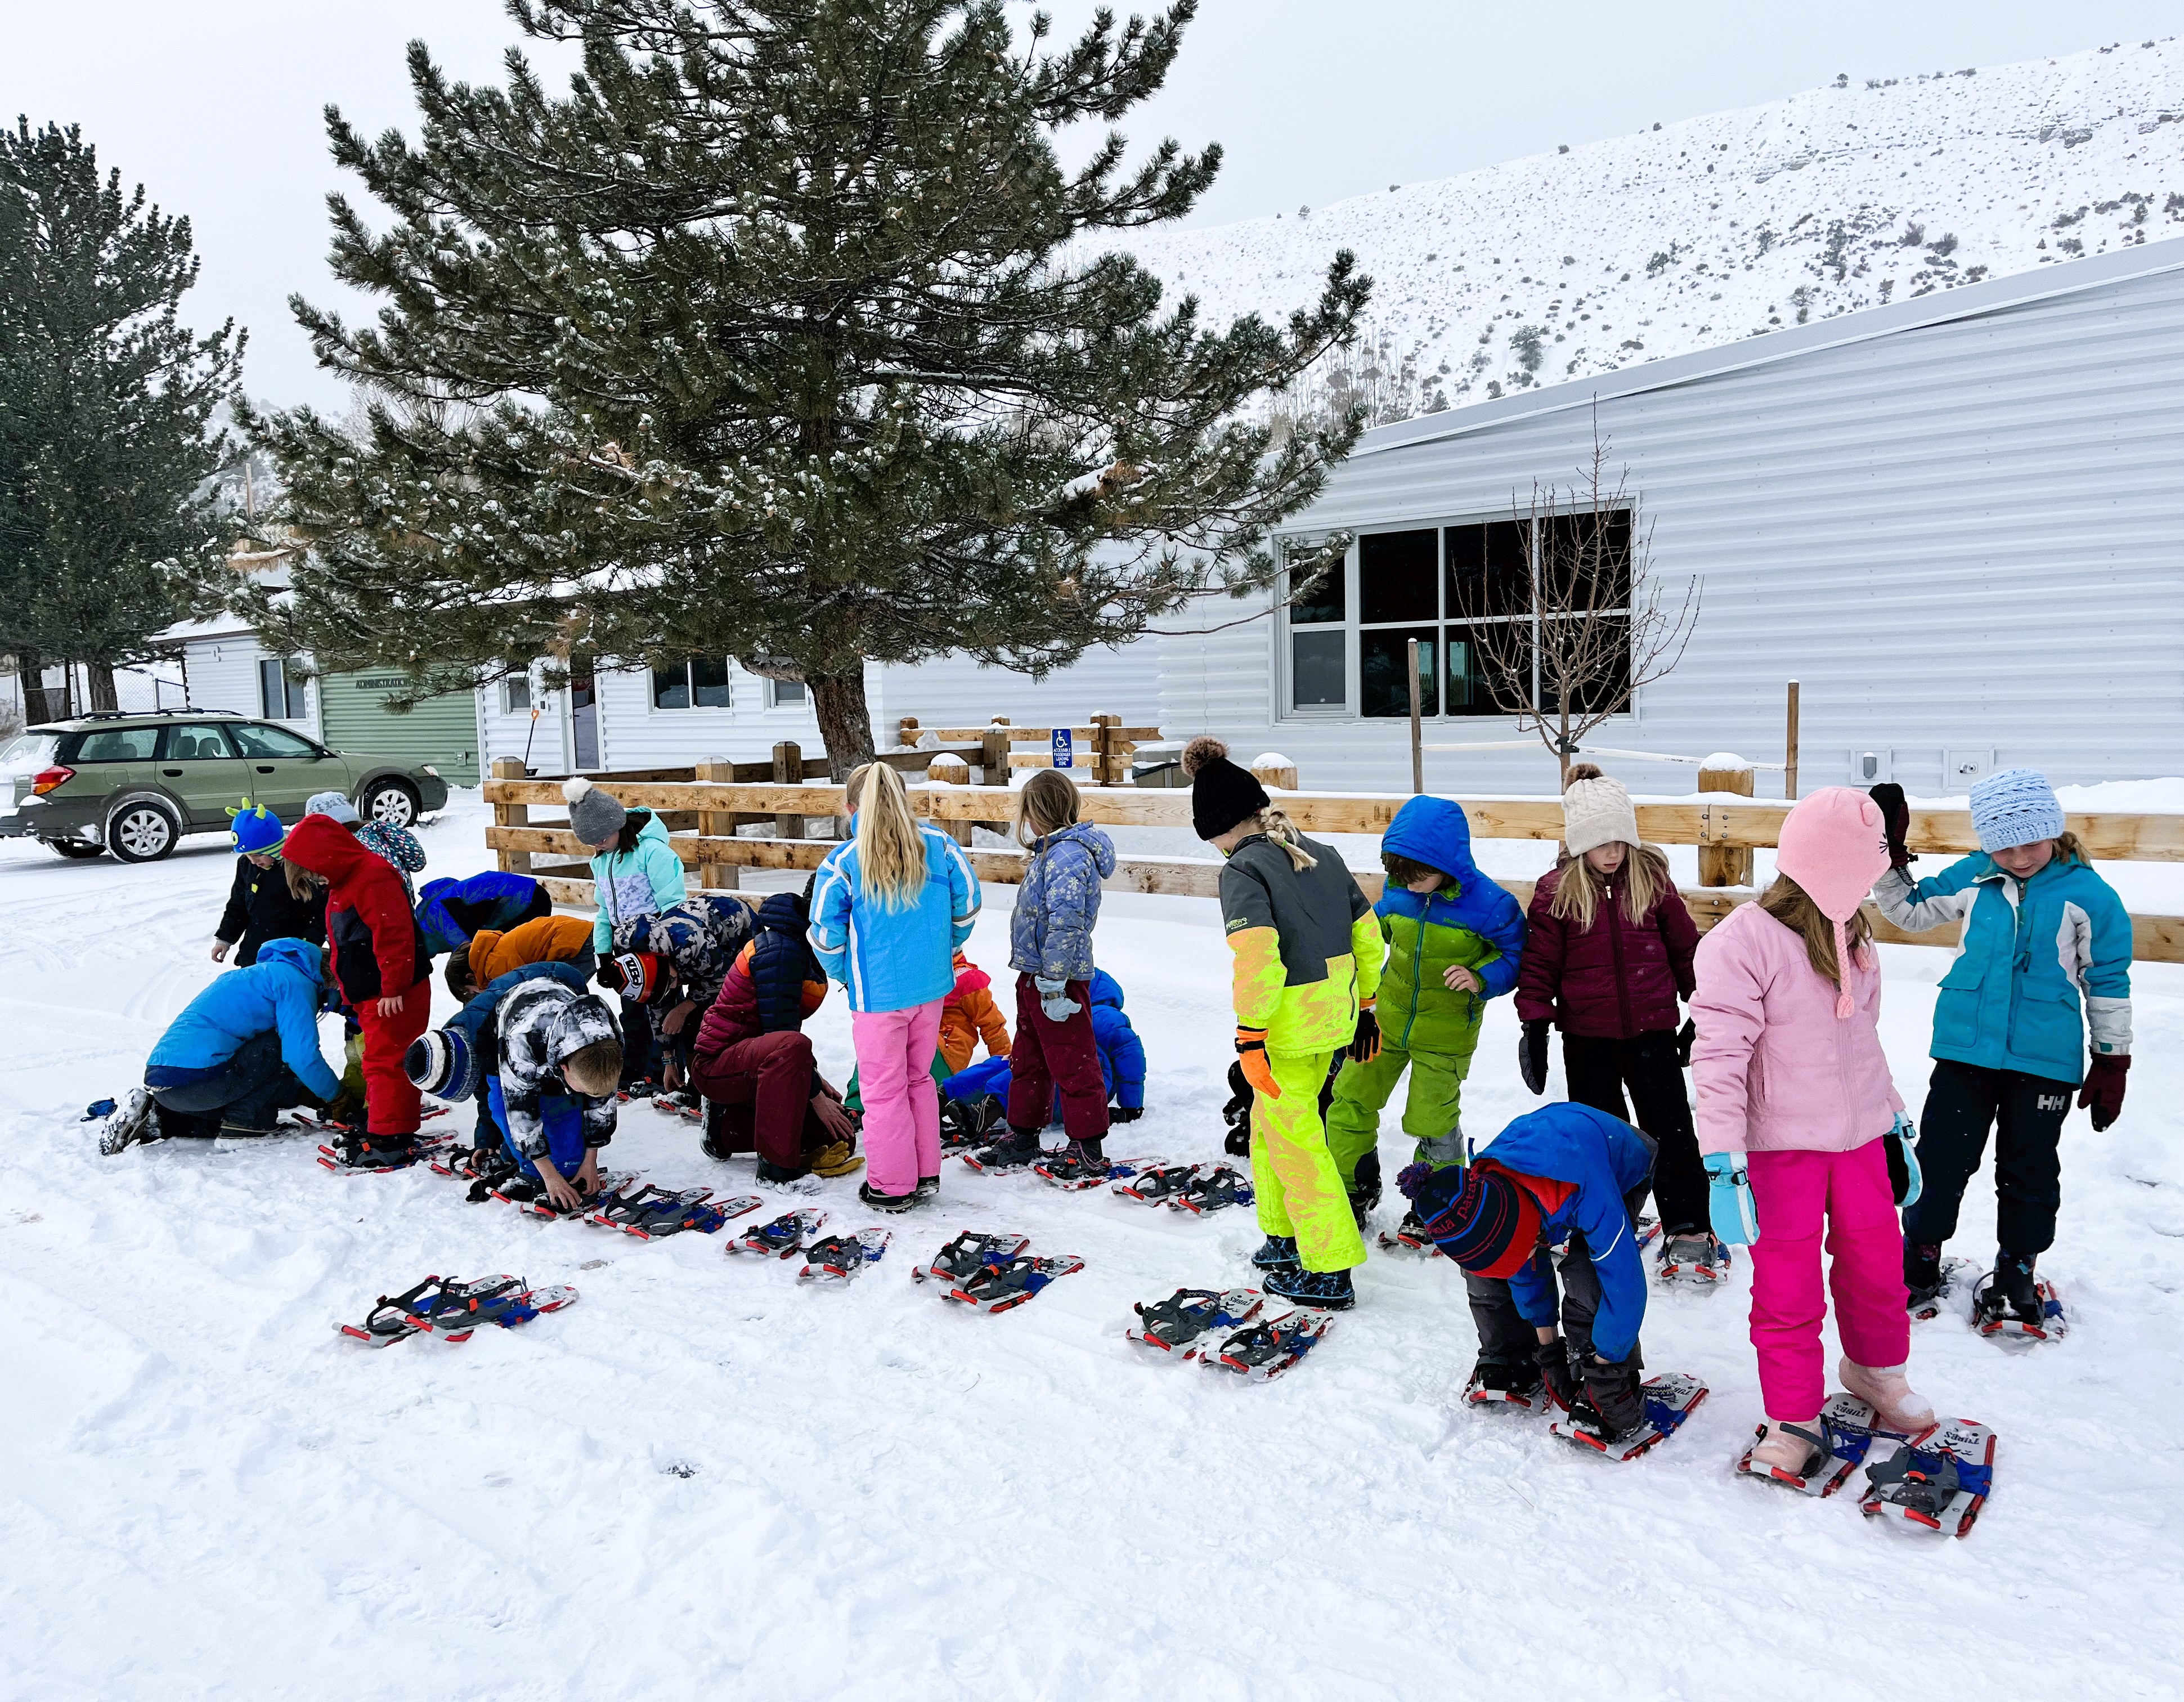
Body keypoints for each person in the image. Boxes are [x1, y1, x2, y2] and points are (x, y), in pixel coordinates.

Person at [1692, 787, 1935, 1477]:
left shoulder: (1853, 932)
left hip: (1857, 1141)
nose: (1876, 879)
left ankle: (1873, 1370)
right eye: (1869, 864)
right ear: (1830, 866)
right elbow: (1716, 1057)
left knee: (1876, 1268)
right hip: (1780, 1151)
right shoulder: (1742, 942)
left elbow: (1863, 1040)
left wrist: (1892, 1120)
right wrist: (1720, 1158)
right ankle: (1792, 1413)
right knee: (1787, 1288)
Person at [1870, 769, 2133, 1319]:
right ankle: (1918, 1256)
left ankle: (2016, 1270)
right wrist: (1888, 860)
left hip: (2044, 1059)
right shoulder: (1974, 875)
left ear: (2053, 831)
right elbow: (1910, 911)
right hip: (1965, 1050)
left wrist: (2110, 1059)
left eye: (2030, 843)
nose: (2017, 858)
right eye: (2003, 846)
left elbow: (2106, 979)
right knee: (1940, 1161)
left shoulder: (2088, 895)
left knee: (2028, 1167)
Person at [1188, 736, 1383, 1311]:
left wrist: (1250, 1033)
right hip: (1334, 1013)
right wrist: (1364, 1006)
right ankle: (1282, 1235)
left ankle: (1328, 1266)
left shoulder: (1242, 870)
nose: (1217, 849)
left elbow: (1258, 958)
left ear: (1222, 827)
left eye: (1212, 838)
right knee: (1270, 1121)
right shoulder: (1320, 852)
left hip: (1287, 1026)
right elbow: (1367, 937)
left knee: (1296, 1139)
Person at [1514, 767, 1710, 1267]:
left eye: (1621, 841)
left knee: (1670, 1129)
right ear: (1580, 842)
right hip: (1586, 1038)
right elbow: (1539, 966)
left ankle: (1688, 1225)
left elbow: (1687, 952)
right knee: (1603, 1135)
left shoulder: (1652, 883)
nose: (1613, 852)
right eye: (1602, 842)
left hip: (1652, 1034)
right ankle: (1610, 1217)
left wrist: (1702, 1012)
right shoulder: (1557, 891)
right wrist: (1534, 1026)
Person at [1325, 794, 1523, 1236]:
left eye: (1420, 877)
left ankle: (1438, 1201)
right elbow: (1373, 935)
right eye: (1403, 877)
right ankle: (1351, 1189)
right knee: (1350, 1100)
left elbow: (1513, 954)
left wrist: (1480, 976)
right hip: (1387, 1021)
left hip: (1446, 1032)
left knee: (1430, 1121)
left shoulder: (1492, 905)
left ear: (1448, 864)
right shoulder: (1399, 893)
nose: (1411, 886)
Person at [1395, 1102, 1655, 1428]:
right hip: (1544, 1161)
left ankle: (1609, 1381)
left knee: (1585, 1274)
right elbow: (1523, 1266)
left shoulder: (1589, 1190)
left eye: (1530, 1243)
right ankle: (1515, 1355)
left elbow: (1625, 1285)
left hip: (1619, 1160)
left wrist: (1607, 1371)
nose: (1530, 1253)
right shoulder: (1490, 1197)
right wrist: (1548, 1350)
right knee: (1485, 1279)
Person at [810, 761, 980, 1212]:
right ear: (903, 801)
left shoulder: (844, 862)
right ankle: (925, 1173)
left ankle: (892, 1185)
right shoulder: (940, 846)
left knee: (882, 1091)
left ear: (851, 808)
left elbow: (824, 935)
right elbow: (967, 905)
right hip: (931, 989)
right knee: (918, 1079)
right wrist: (944, 949)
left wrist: (847, 973)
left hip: (878, 997)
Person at [966, 770, 1118, 1175]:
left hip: (1059, 980)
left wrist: (1054, 983)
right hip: (1035, 975)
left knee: (1073, 1060)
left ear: (1039, 811)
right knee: (1028, 1058)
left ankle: (1087, 1146)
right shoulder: (1051, 852)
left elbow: (1066, 923)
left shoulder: (1068, 856)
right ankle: (1023, 1134)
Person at [281, 813, 434, 1167]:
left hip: (393, 994)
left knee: (388, 1061)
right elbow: (344, 944)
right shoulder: (344, 883)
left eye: (313, 871)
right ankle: (385, 1122)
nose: (316, 880)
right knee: (378, 1059)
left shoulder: (372, 877)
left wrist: (393, 988)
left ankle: (390, 1137)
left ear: (327, 856)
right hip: (373, 993)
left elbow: (394, 935)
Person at [103, 937, 344, 1150]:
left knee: (264, 1074)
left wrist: (302, 1092)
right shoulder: (295, 983)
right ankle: (247, 1125)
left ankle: (159, 1117)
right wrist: (335, 1097)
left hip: (168, 1084)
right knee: (277, 1044)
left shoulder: (256, 975)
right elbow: (301, 1055)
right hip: (202, 1079)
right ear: (330, 977)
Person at [690, 888, 863, 1184]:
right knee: (796, 1051)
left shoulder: (803, 946)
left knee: (837, 1136)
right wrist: (814, 1093)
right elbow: (783, 1039)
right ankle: (776, 1167)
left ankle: (725, 1128)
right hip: (718, 1065)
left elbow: (780, 1032)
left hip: (759, 1061)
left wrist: (815, 1084)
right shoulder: (781, 951)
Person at [567, 776, 688, 1086]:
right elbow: (605, 910)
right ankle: (636, 1070)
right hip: (625, 952)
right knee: (632, 1014)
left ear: (617, 825)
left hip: (658, 947)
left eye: (602, 838)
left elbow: (675, 905)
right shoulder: (602, 860)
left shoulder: (654, 854)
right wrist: (604, 955)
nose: (597, 845)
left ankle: (667, 1072)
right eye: (591, 841)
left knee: (665, 1013)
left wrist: (669, 952)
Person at [942, 968, 1146, 1131]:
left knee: (1026, 1070)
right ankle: (952, 1099)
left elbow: (1130, 1057)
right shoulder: (1060, 1013)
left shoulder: (1106, 1016)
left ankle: (968, 1107)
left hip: (1091, 1082)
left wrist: (1131, 1107)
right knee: (1010, 1063)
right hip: (1067, 1078)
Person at [485, 977, 624, 1211]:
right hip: (507, 1025)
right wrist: (549, 1176)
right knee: (502, 1108)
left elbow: (602, 1104)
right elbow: (521, 1114)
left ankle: (527, 1155)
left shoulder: (609, 1042)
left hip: (562, 1022)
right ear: (564, 1067)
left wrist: (591, 1160)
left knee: (568, 1152)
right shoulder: (522, 1045)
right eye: (582, 1090)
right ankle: (523, 1161)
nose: (587, 1096)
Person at [598, 895, 757, 1092]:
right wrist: (669, 1062)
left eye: (671, 982)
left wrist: (684, 1008)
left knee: (719, 1018)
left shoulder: (689, 943)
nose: (674, 988)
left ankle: (728, 1084)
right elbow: (659, 1012)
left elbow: (722, 980)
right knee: (690, 1022)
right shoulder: (646, 966)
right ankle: (698, 1087)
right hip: (698, 960)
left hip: (738, 932)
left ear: (665, 961)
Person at [211, 800, 325, 966]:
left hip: (291, 954)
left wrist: (307, 945)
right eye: (248, 855)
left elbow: (320, 914)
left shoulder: (298, 868)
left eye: (258, 855)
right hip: (254, 952)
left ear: (275, 846)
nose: (253, 861)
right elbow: (238, 905)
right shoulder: (246, 865)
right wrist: (224, 939)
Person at [443, 912, 597, 1005]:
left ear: (470, 977)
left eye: (472, 993)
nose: (478, 994)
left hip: (574, 945)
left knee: (562, 997)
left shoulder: (495, 965)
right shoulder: (491, 954)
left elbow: (521, 989)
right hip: (578, 936)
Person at [306, 791, 427, 903]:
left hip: (377, 919)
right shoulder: (378, 835)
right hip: (404, 913)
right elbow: (417, 862)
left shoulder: (349, 850)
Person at [416, 871, 552, 960]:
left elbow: (468, 953)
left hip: (525, 900)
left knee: (517, 956)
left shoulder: (438, 916)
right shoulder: (432, 913)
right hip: (525, 893)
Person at [938, 948, 1011, 1077]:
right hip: (924, 1046)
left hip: (945, 1053)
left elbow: (992, 1026)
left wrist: (1006, 1067)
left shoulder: (966, 979)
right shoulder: (922, 977)